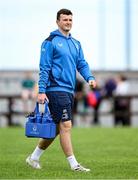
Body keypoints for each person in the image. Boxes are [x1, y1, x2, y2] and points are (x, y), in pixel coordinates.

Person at [26, 8, 96, 172]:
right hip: (55, 89)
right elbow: (44, 68)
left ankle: (34, 157)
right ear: (57, 21)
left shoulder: (76, 43)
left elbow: (82, 64)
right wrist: (41, 90)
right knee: (66, 125)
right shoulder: (49, 41)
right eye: (65, 20)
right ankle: (74, 165)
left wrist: (90, 78)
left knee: (57, 128)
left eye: (70, 20)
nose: (68, 22)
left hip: (68, 91)